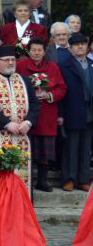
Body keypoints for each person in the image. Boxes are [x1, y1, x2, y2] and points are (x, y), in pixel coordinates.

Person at [0, 46, 40, 192]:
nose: (11, 63)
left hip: (22, 134)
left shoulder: (24, 80)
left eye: (13, 60)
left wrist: (28, 122)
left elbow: (35, 104)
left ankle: (20, 205)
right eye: (6, 60)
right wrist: (6, 123)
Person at [16, 38, 66, 192]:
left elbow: (62, 88)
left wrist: (49, 95)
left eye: (39, 50)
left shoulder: (52, 67)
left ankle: (42, 180)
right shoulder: (20, 65)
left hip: (47, 112)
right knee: (27, 147)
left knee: (45, 149)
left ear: (44, 51)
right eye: (33, 50)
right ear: (28, 51)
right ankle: (26, 180)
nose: (36, 53)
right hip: (26, 112)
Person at [58, 33, 93, 191]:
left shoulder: (91, 63)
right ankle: (69, 179)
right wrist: (60, 114)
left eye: (83, 44)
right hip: (71, 111)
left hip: (89, 112)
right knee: (71, 148)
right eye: (76, 45)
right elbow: (60, 91)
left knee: (86, 148)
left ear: (87, 47)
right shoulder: (64, 65)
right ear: (70, 48)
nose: (80, 47)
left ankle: (83, 179)